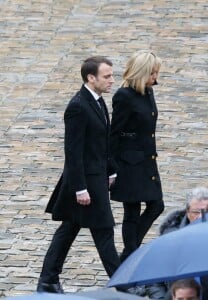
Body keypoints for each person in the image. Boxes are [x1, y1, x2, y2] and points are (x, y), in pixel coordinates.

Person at [37, 56, 120, 293]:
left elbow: (101, 143)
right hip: (86, 184)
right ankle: (122, 282)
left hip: (96, 178)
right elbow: (73, 152)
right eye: (107, 76)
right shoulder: (78, 106)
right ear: (90, 78)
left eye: (111, 75)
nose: (111, 80)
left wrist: (111, 169)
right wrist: (80, 188)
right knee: (104, 231)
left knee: (68, 230)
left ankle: (48, 280)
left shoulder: (97, 101)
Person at [110, 50, 164, 263]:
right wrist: (111, 165)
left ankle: (128, 255)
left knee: (156, 205)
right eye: (153, 73)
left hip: (147, 161)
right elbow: (114, 134)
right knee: (131, 212)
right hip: (129, 164)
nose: (155, 78)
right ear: (142, 73)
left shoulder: (148, 91)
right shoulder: (123, 97)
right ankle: (131, 256)